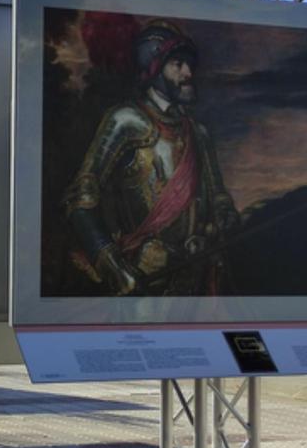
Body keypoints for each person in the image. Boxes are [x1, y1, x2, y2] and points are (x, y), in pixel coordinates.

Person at [62, 19, 239, 296]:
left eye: (189, 65)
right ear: (154, 69)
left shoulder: (198, 133)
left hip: (198, 278)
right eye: (177, 65)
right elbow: (81, 198)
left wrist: (224, 217)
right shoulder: (126, 121)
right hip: (147, 278)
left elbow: (218, 197)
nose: (188, 73)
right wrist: (116, 270)